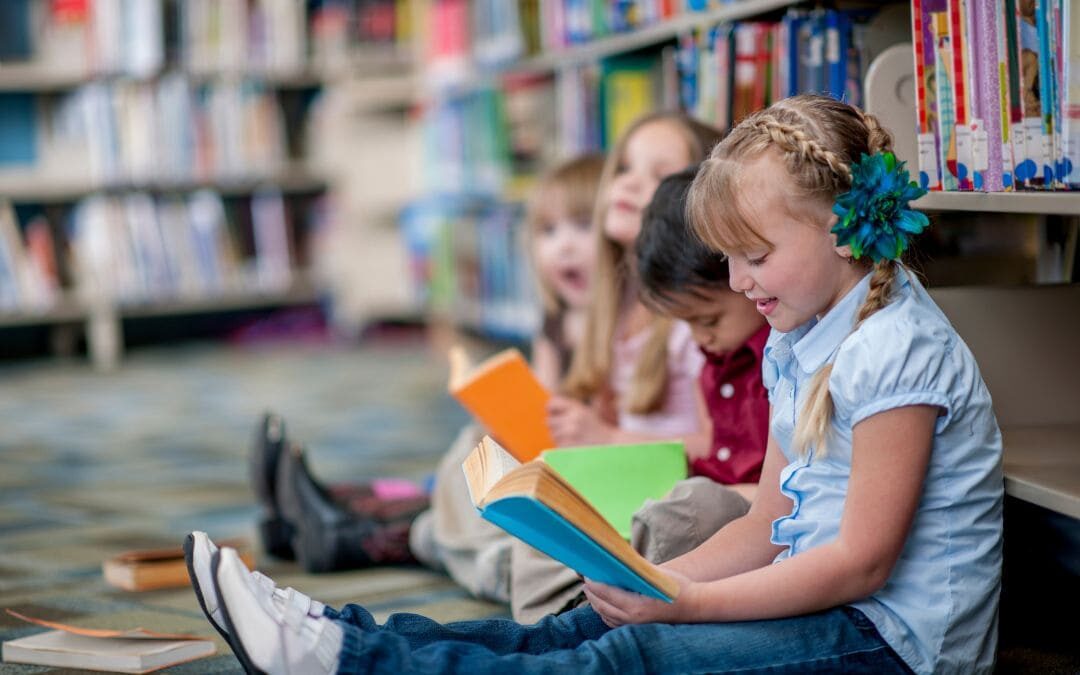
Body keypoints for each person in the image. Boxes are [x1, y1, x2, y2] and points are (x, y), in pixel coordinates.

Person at [188, 94, 1004, 674]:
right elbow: (771, 516)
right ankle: (341, 636)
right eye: (728, 258)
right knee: (578, 628)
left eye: (755, 257)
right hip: (832, 605)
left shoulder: (894, 348)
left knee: (631, 655)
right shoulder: (797, 335)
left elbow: (861, 564)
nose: (738, 281)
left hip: (894, 642)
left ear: (840, 229)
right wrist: (652, 577)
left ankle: (346, 663)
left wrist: (684, 601)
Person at [246, 154, 607, 580]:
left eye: (583, 227)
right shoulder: (555, 323)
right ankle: (320, 512)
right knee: (464, 464)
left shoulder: (622, 328)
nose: (564, 245)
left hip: (582, 475)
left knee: (455, 494)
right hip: (551, 461)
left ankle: (341, 526)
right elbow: (544, 412)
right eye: (549, 231)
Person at [513, 166, 772, 624]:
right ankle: (573, 602)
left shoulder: (775, 358)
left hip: (729, 509)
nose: (699, 338)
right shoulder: (716, 354)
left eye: (707, 322)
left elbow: (775, 494)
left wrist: (611, 438)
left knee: (683, 508)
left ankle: (587, 606)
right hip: (685, 488)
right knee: (548, 497)